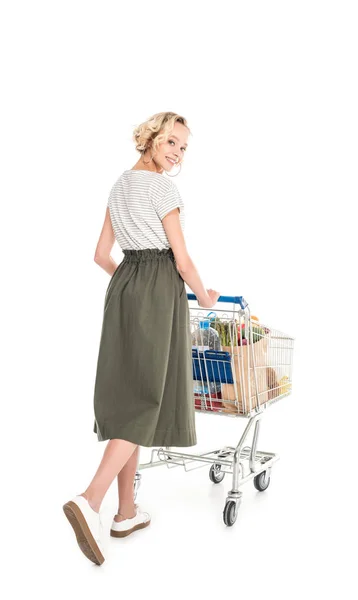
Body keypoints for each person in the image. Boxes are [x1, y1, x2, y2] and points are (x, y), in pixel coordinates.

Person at [62, 111, 220, 565]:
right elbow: (182, 260)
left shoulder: (118, 185)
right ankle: (90, 500)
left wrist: (129, 283)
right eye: (170, 141)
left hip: (124, 285)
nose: (176, 152)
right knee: (148, 397)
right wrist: (205, 298)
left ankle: (126, 512)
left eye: (183, 146)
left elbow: (100, 255)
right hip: (156, 287)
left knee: (130, 392)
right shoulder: (163, 188)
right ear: (150, 139)